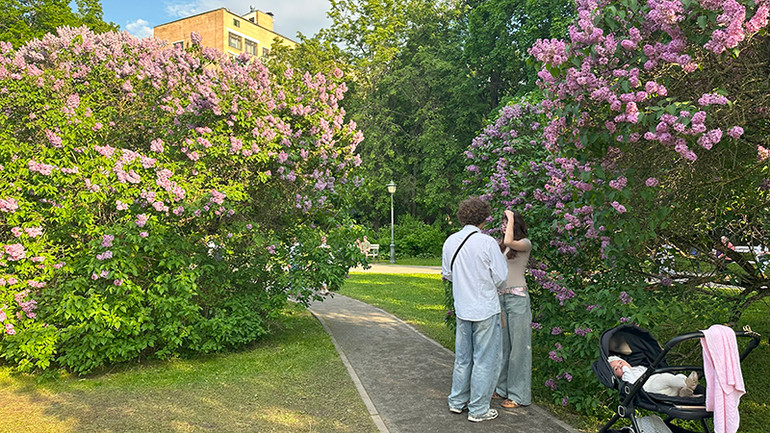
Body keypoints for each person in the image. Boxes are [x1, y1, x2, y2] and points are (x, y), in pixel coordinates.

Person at [442, 197, 508, 422]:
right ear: (484, 218)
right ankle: (478, 409)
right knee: (484, 359)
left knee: (462, 357)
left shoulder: (451, 241)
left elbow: (447, 275)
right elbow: (501, 277)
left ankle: (457, 401)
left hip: (462, 306)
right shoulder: (487, 243)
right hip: (485, 308)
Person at [492, 209, 533, 409]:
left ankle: (518, 395)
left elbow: (509, 241)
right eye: (501, 222)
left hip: (517, 299)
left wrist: (510, 215)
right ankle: (502, 389)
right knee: (503, 346)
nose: (502, 226)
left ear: (515, 225)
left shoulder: (525, 243)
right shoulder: (501, 247)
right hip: (501, 299)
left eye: (505, 223)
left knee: (519, 348)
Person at [608, 356, 700, 397]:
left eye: (620, 363)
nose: (620, 366)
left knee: (675, 378)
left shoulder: (638, 368)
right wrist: (625, 369)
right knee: (665, 378)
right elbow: (632, 383)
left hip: (663, 388)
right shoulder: (625, 379)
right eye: (616, 369)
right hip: (649, 387)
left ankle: (684, 391)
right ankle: (687, 383)